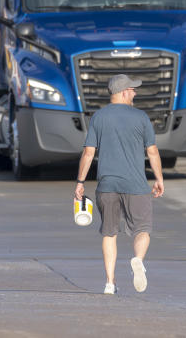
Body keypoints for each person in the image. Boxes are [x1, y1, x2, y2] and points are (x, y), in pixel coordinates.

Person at [74, 74, 164, 295]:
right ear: (124, 92)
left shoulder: (98, 117)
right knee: (142, 230)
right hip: (136, 185)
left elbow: (88, 152)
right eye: (132, 90)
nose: (135, 93)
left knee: (109, 233)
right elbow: (152, 151)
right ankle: (138, 260)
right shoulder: (141, 117)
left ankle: (109, 283)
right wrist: (159, 178)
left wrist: (80, 182)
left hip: (107, 185)